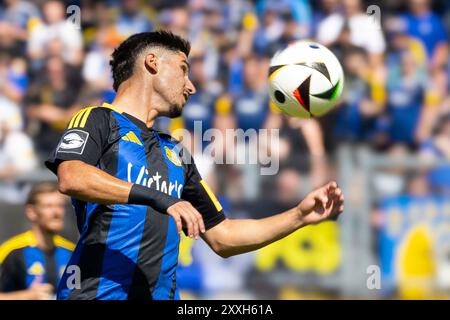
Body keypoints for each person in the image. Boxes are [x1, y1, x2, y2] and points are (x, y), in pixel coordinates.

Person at [45, 30, 344, 300]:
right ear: (152, 63)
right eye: (183, 70)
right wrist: (160, 198)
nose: (191, 87)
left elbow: (222, 236)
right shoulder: (98, 119)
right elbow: (72, 176)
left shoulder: (176, 152)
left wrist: (299, 216)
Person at [0, 182, 74, 300]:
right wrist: (26, 296)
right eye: (48, 206)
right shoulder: (11, 251)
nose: (56, 212)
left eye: (60, 206)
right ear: (31, 212)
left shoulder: (71, 252)